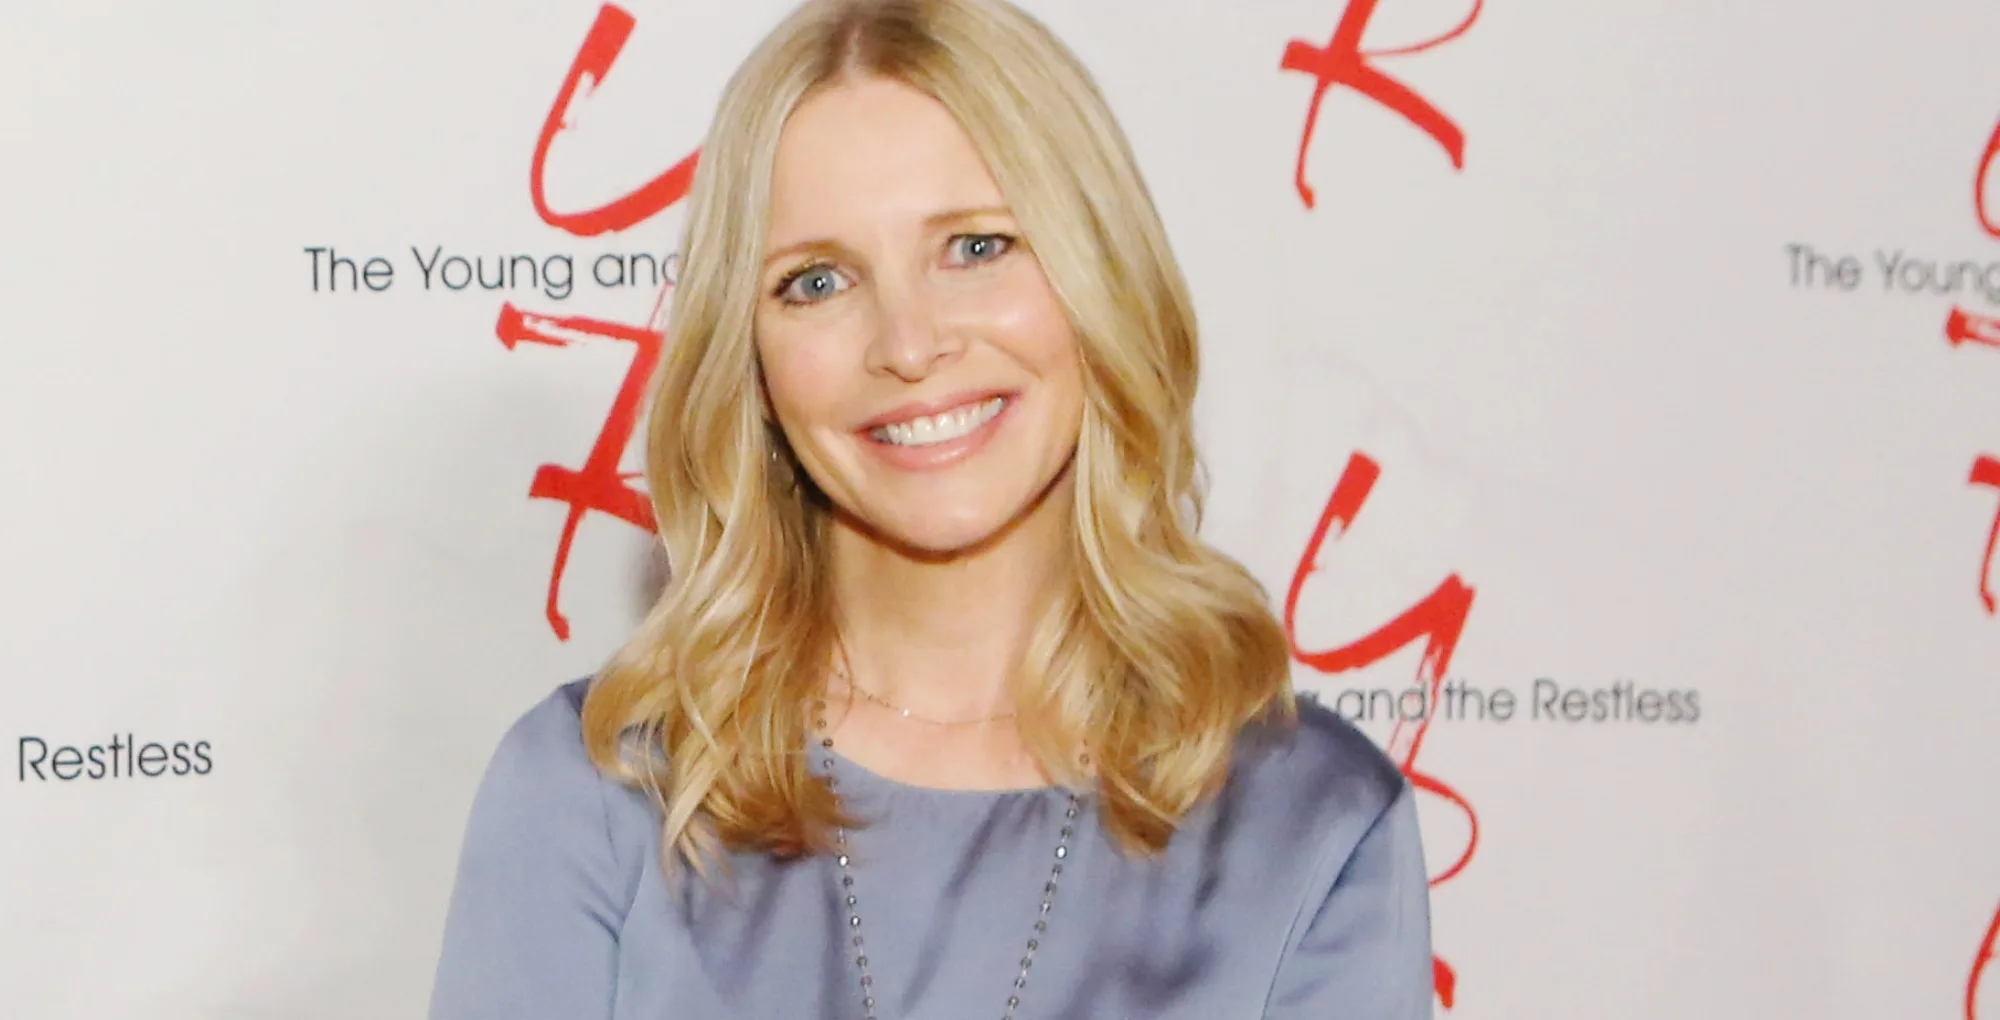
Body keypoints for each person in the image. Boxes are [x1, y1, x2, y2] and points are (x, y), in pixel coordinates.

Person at [429, 0, 1434, 1016]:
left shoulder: (1312, 824)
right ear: (751, 359)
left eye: (976, 247)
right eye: (816, 281)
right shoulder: (597, 795)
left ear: (1098, 274)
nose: (908, 344)